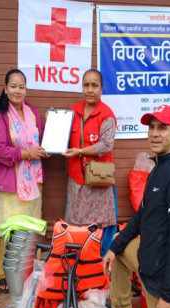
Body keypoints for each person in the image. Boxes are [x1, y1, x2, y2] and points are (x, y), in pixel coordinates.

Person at [103, 105, 170, 308]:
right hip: (149, 261)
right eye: (151, 127)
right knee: (119, 242)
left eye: (162, 128)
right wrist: (113, 248)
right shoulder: (158, 169)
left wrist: (168, 296)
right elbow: (141, 215)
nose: (154, 133)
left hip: (166, 282)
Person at [0, 68, 47, 293]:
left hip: (33, 181)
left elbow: (39, 140)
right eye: (13, 86)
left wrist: (45, 150)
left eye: (21, 86)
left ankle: (30, 268)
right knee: (7, 229)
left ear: (26, 89)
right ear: (5, 88)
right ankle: (5, 273)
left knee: (31, 226)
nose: (17, 91)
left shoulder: (32, 111)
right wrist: (27, 154)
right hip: (9, 182)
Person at [62, 69, 117, 256]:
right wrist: (53, 122)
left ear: (102, 88)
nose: (90, 90)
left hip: (99, 180)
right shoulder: (73, 112)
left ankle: (98, 260)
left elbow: (106, 145)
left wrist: (79, 151)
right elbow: (62, 137)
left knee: (100, 224)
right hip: (77, 179)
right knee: (76, 223)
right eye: (86, 85)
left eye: (94, 85)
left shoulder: (106, 114)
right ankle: (78, 259)